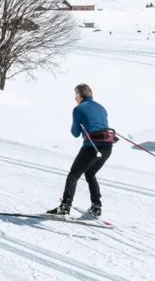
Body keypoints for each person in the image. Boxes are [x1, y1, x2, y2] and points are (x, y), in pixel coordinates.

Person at [48, 83, 115, 218]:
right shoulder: (101, 108)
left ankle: (65, 206)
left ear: (79, 96)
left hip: (92, 146)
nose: (75, 99)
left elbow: (75, 133)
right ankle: (96, 206)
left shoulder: (78, 109)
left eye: (75, 97)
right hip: (107, 147)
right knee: (90, 173)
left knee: (74, 175)